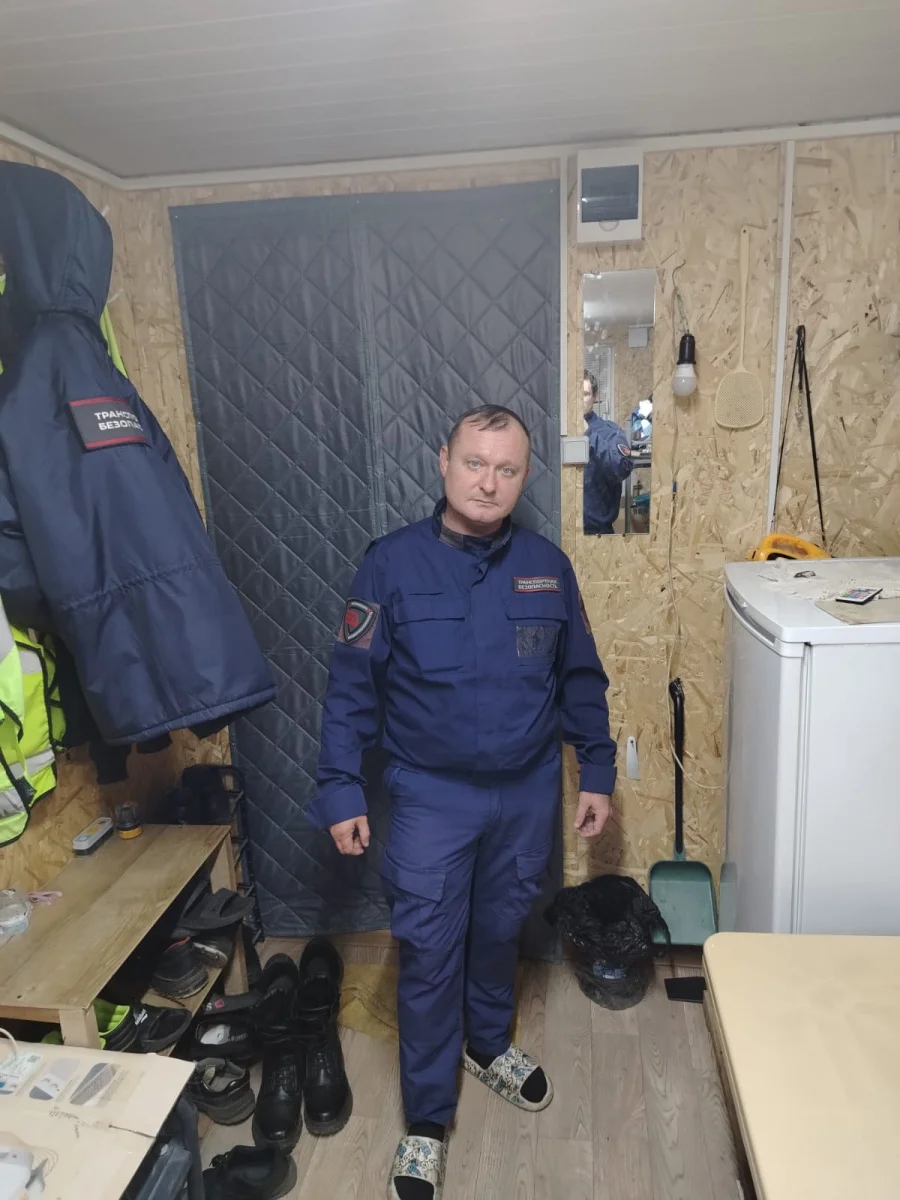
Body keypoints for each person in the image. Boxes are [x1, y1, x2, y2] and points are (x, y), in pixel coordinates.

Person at [309, 405, 616, 1200]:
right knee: (429, 950)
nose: (488, 482)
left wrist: (598, 771)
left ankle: (487, 1044)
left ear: (524, 476)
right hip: (431, 798)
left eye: (506, 469)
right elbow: (350, 689)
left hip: (525, 792)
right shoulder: (390, 566)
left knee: (501, 927)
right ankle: (425, 1119)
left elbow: (580, 677)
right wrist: (341, 786)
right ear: (443, 461)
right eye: (474, 463)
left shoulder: (548, 567)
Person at [582, 370, 634, 535]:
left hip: (598, 533)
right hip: (559, 530)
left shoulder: (611, 432)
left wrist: (589, 435)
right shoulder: (556, 429)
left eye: (584, 394)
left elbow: (622, 469)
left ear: (595, 396)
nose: (578, 400)